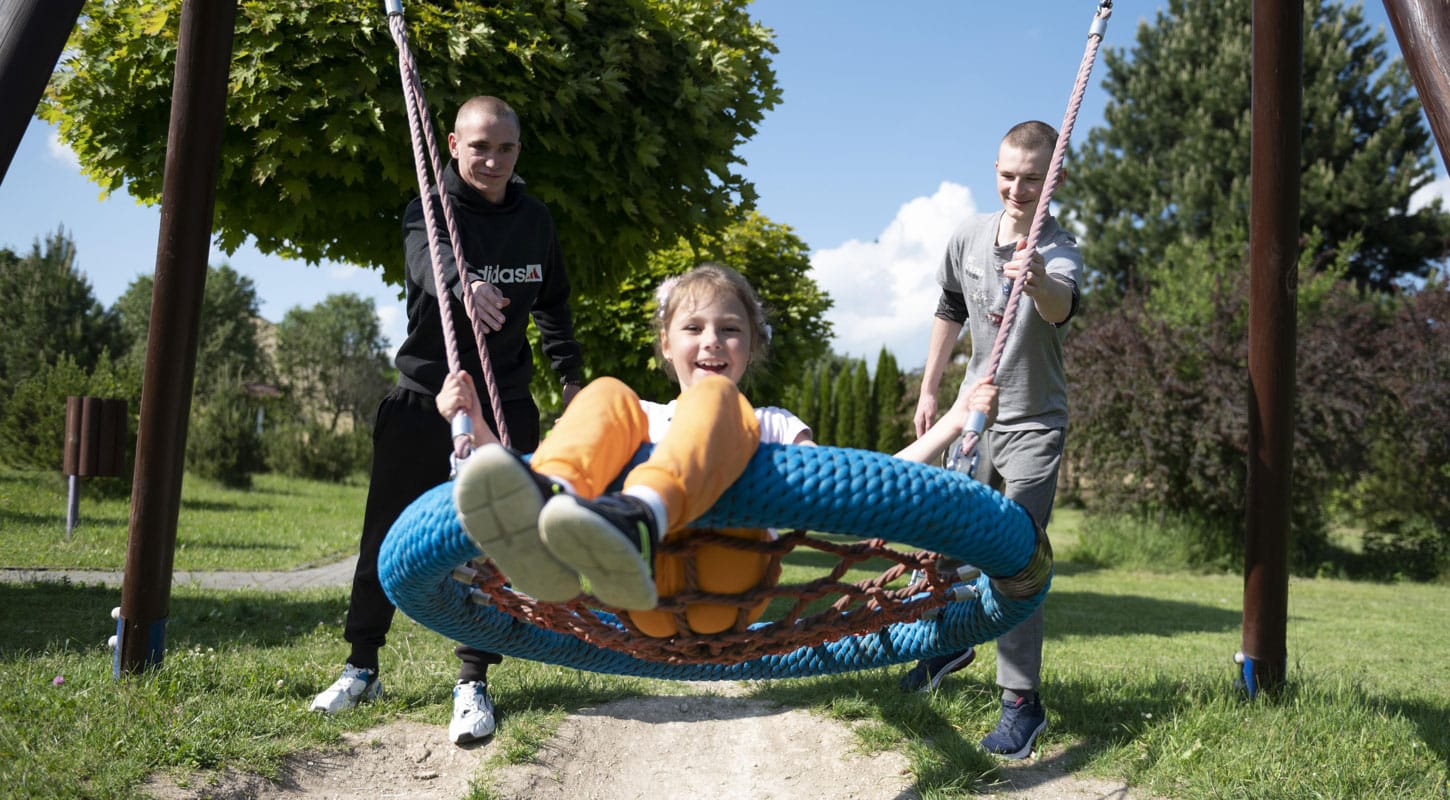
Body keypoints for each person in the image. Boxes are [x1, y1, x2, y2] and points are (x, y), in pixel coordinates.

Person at [310, 95, 585, 748]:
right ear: (455, 147)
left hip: (503, 402)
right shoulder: (429, 210)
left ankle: (472, 680)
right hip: (422, 396)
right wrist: (467, 286)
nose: (491, 160)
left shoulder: (534, 221)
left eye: (505, 148)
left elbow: (553, 305)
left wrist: (573, 379)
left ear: (518, 153)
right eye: (479, 146)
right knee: (384, 533)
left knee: (490, 542)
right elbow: (426, 260)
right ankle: (362, 666)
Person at [444, 262, 814, 638]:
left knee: (718, 396)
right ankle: (546, 508)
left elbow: (824, 483)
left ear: (752, 347)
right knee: (605, 391)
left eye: (730, 329)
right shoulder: (636, 420)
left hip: (726, 591)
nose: (712, 340)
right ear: (666, 345)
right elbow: (518, 471)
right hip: (637, 596)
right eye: (693, 327)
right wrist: (474, 424)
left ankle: (639, 515)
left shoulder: (772, 423)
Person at [909, 120, 1083, 761]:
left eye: (1032, 178)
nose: (1018, 187)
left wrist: (1035, 276)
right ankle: (950, 642)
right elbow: (950, 308)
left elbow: (1061, 305)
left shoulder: (1059, 247)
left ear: (1053, 179)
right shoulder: (968, 236)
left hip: (1034, 423)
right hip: (975, 414)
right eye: (1008, 174)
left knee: (1014, 555)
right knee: (948, 538)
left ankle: (1021, 702)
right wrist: (931, 390)